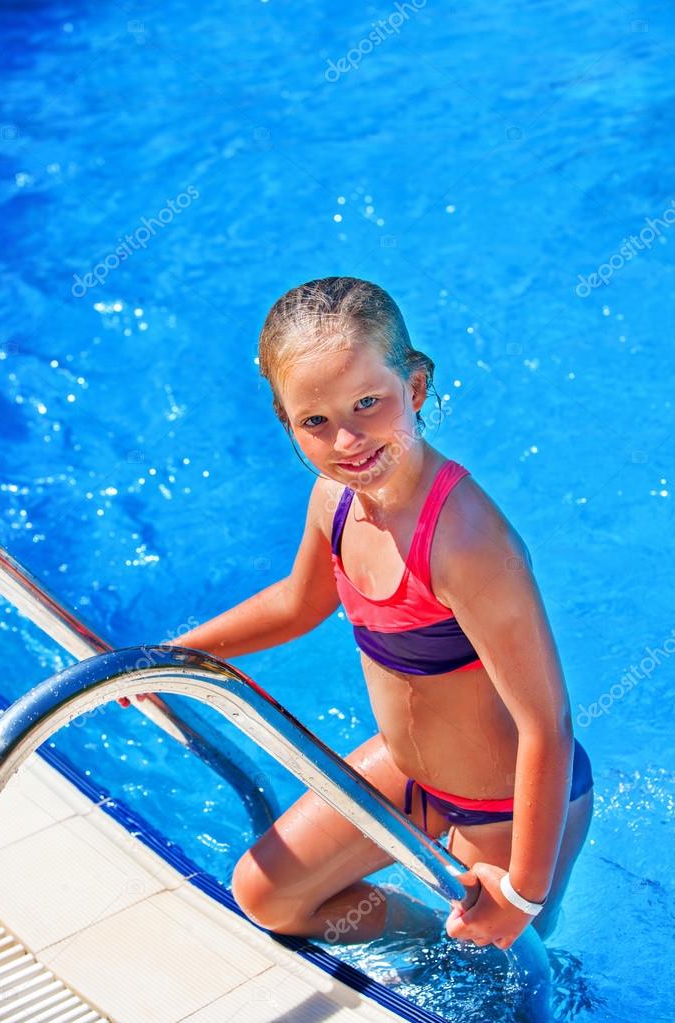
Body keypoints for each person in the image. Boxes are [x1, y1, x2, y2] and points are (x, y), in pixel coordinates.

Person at [123, 276, 594, 951]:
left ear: (417, 388)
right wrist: (173, 657)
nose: (347, 439)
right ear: (288, 424)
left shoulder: (467, 542)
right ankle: (422, 938)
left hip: (512, 806)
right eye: (316, 421)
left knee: (502, 975)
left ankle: (473, 949)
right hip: (412, 776)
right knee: (268, 894)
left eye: (368, 403)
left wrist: (522, 892)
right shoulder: (335, 501)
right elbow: (296, 603)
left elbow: (546, 723)